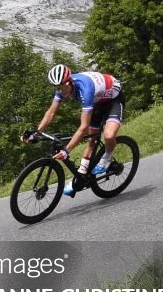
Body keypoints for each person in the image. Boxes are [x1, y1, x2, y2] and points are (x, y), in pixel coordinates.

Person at [24, 63, 125, 197]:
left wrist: (67, 150)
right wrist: (36, 133)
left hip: (113, 100)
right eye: (57, 88)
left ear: (70, 81)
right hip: (97, 102)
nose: (60, 91)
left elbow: (83, 127)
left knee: (108, 135)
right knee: (91, 141)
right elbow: (51, 113)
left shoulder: (85, 89)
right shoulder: (61, 88)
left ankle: (107, 157)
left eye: (62, 87)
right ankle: (81, 177)